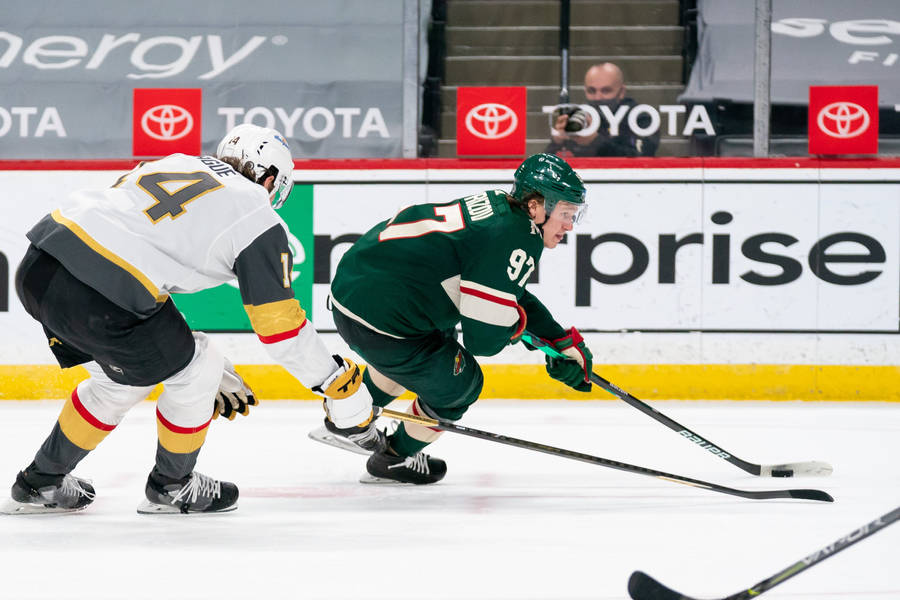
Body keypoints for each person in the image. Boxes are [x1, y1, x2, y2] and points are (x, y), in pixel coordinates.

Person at [3, 124, 373, 515]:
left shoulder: (177, 162)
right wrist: (334, 382)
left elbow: (127, 245)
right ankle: (172, 486)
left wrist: (179, 351)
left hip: (40, 265)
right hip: (103, 297)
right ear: (269, 178)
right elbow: (280, 327)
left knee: (119, 383)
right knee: (200, 366)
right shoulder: (255, 210)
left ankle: (41, 481)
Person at [309, 153, 595, 484]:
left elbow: (506, 292)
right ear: (535, 207)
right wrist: (516, 328)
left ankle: (347, 418)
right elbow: (483, 341)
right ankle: (393, 459)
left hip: (356, 298)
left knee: (430, 351)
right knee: (461, 385)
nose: (569, 225)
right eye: (565, 214)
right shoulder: (517, 237)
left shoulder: (501, 208)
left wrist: (556, 339)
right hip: (384, 322)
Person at [544, 62, 659, 158]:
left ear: (622, 92)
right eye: (592, 91)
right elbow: (547, 166)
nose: (598, 97)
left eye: (606, 91)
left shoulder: (640, 118)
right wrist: (557, 142)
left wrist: (595, 141)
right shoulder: (579, 118)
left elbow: (642, 159)